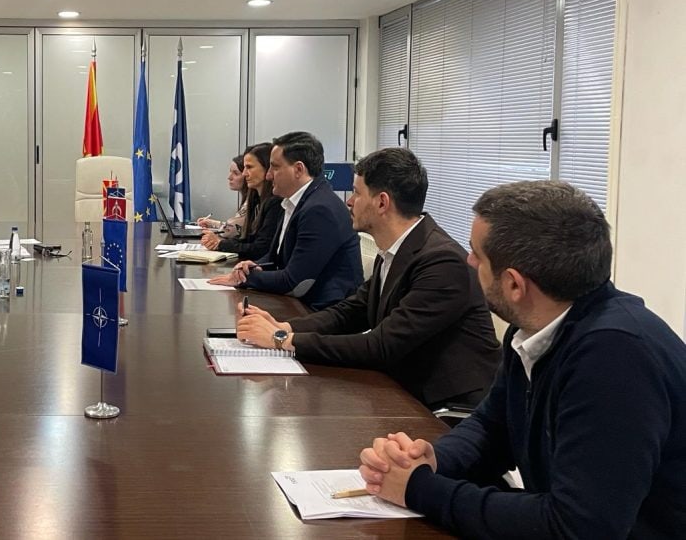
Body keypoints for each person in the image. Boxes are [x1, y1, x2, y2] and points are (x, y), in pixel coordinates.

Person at [358, 181, 686, 539]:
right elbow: (493, 427)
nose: (468, 261)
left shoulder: (615, 357)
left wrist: (419, 489)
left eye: (477, 255)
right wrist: (432, 459)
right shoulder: (534, 326)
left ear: (515, 285)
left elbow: (576, 527)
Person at [236, 148, 500, 408]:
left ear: (382, 202)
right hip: (403, 390)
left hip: (443, 408)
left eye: (357, 193)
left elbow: (381, 345)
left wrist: (281, 340)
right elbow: (351, 311)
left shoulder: (442, 262)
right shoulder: (397, 248)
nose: (349, 202)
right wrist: (285, 326)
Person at [209, 131, 362, 310]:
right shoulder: (295, 202)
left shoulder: (319, 209)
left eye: (274, 167)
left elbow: (294, 281)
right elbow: (275, 257)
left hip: (323, 311)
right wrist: (252, 266)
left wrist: (245, 277)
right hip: (300, 303)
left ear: (298, 169)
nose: (268, 176)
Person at [201, 143, 283, 260]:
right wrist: (219, 242)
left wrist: (221, 244)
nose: (244, 173)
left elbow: (261, 248)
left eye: (249, 167)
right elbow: (247, 238)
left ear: (266, 168)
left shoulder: (275, 203)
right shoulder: (255, 199)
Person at [197, 154, 248, 239]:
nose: (229, 177)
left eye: (236, 173)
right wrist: (212, 223)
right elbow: (232, 227)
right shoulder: (246, 199)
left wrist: (215, 227)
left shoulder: (251, 202)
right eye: (230, 172)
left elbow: (229, 231)